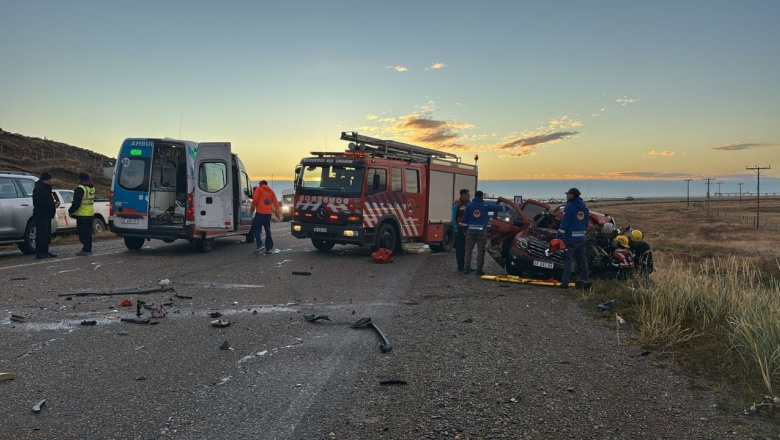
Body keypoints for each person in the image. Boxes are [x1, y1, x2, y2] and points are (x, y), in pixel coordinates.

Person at [462, 191, 507, 276]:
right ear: (482, 197)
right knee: (480, 251)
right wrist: (508, 207)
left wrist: (464, 230)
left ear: (475, 196)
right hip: (481, 232)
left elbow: (464, 220)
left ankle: (466, 268)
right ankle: (479, 270)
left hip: (470, 231)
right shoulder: (485, 205)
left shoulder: (469, 206)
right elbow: (497, 208)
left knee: (468, 250)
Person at [556, 187, 590, 289]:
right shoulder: (584, 207)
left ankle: (564, 283)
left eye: (567, 194)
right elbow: (586, 223)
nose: (566, 196)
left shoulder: (569, 206)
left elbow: (565, 223)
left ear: (572, 195)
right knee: (582, 261)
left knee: (568, 261)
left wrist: (559, 235)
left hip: (570, 239)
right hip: (581, 239)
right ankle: (585, 281)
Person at [68, 172, 96, 256]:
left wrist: (70, 211)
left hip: (82, 214)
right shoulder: (91, 188)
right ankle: (88, 248)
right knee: (88, 233)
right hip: (90, 214)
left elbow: (76, 203)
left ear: (80, 179)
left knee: (83, 233)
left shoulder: (80, 188)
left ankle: (86, 249)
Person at [250, 180, 280, 254]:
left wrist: (252, 209)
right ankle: (269, 247)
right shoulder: (271, 191)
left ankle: (260, 244)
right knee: (267, 229)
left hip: (260, 213)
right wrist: (277, 212)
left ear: (261, 184)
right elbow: (276, 202)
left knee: (255, 227)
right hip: (268, 214)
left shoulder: (259, 189)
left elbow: (255, 200)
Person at [32, 172, 58, 259]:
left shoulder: (47, 188)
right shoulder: (39, 188)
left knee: (47, 234)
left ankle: (45, 251)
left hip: (47, 214)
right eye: (50, 179)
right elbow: (39, 201)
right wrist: (52, 204)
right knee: (41, 234)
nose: (51, 181)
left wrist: (53, 204)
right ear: (46, 179)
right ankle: (40, 252)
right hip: (41, 214)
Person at [451, 188, 471, 271]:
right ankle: (460, 266)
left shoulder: (469, 204)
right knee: (460, 249)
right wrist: (456, 231)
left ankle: (466, 265)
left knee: (467, 249)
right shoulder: (456, 205)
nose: (469, 196)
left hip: (468, 231)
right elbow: (453, 218)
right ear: (462, 195)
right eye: (467, 195)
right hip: (460, 230)